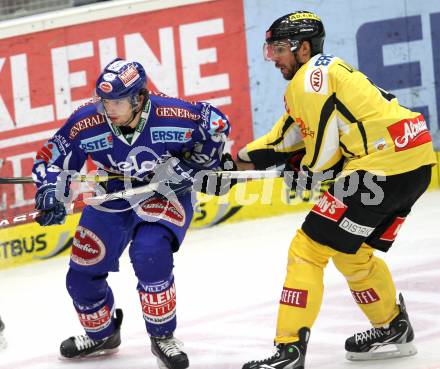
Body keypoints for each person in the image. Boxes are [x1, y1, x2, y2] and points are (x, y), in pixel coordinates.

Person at [239, 10, 437, 369]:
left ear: (302, 48)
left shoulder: (307, 81)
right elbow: (285, 138)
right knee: (351, 252)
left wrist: (303, 172)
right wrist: (234, 158)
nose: (274, 59)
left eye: (279, 50)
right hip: (416, 164)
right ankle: (392, 326)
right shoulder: (324, 73)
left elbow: (323, 160)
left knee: (308, 249)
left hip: (379, 169)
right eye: (270, 50)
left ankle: (289, 350)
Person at [32, 58, 233, 369]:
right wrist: (49, 190)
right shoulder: (88, 121)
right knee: (82, 270)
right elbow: (52, 156)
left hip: (166, 191)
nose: (107, 109)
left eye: (116, 102)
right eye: (104, 101)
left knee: (149, 253)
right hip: (113, 192)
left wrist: (204, 164)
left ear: (139, 98)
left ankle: (163, 336)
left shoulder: (172, 115)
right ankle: (102, 334)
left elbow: (217, 125)